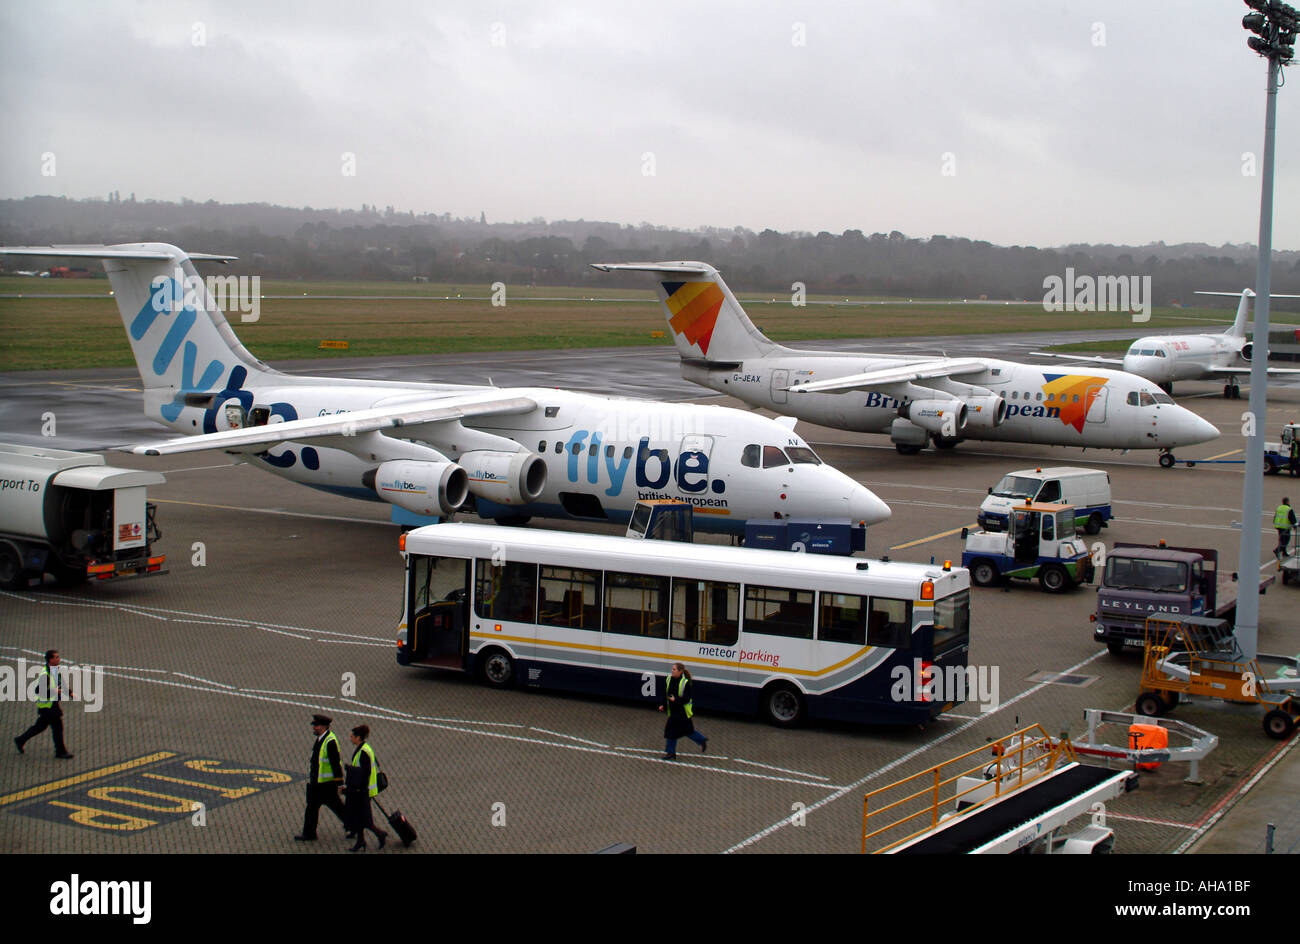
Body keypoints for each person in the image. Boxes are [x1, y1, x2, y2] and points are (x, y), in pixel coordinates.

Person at [295, 713, 347, 842]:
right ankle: (309, 833)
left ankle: (355, 825)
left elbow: (335, 764)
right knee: (313, 808)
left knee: (337, 808)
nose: (314, 728)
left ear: (323, 726)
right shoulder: (322, 739)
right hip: (318, 783)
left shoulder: (330, 742)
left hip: (326, 785)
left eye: (316, 725)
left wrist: (340, 783)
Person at [15, 650, 74, 759]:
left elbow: (60, 683)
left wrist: (69, 692)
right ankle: (60, 752)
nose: (58, 659)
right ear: (50, 660)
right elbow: (39, 691)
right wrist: (55, 692)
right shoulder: (45, 674)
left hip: (50, 705)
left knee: (40, 727)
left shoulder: (54, 670)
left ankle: (20, 740)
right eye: (56, 657)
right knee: (57, 729)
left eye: (58, 656)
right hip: (48, 707)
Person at [344, 725, 388, 852]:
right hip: (363, 789)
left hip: (363, 790)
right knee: (360, 817)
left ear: (358, 737)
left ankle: (380, 834)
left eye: (352, 736)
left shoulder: (363, 752)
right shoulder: (365, 748)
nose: (350, 738)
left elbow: (365, 772)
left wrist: (350, 769)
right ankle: (360, 841)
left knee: (365, 819)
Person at [659, 662, 707, 760]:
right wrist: (663, 705)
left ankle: (670, 753)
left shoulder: (685, 683)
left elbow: (686, 699)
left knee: (671, 731)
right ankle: (701, 740)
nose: (672, 671)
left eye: (674, 669)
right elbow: (666, 693)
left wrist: (675, 700)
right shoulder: (669, 679)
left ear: (680, 671)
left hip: (682, 712)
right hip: (673, 711)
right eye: (672, 669)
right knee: (687, 730)